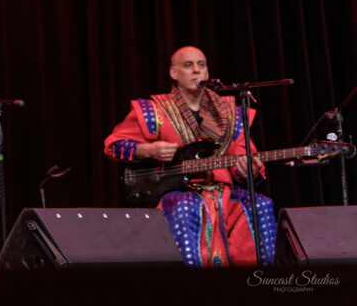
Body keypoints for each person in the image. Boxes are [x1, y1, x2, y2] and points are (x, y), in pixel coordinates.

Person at [104, 45, 276, 267]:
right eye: (188, 65)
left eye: (201, 65)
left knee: (260, 205)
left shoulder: (230, 113)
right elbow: (113, 145)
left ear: (207, 72)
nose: (196, 70)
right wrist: (148, 150)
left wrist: (249, 169)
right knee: (185, 207)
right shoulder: (154, 110)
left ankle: (256, 283)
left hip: (224, 195)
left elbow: (245, 154)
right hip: (177, 191)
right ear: (174, 73)